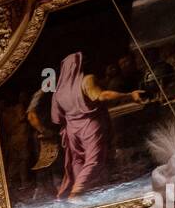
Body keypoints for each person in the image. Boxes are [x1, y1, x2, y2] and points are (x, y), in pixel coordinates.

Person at [50, 51, 146, 199]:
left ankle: (82, 193)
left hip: (72, 131)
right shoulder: (87, 80)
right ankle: (76, 193)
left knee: (78, 161)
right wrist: (129, 95)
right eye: (84, 61)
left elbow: (56, 118)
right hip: (90, 126)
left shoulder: (58, 91)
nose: (86, 63)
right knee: (95, 160)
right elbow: (102, 96)